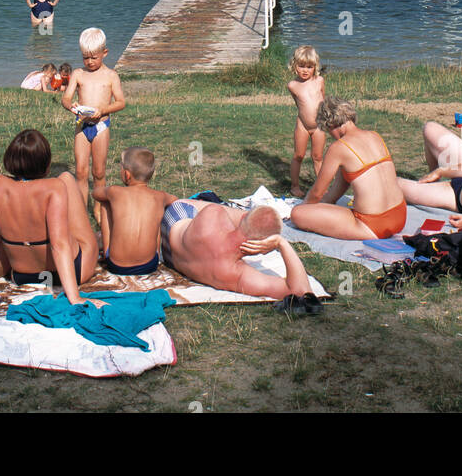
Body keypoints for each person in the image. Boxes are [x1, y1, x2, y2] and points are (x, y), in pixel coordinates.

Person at [0, 129, 98, 303]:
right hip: (71, 273)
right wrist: (74, 298)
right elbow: (59, 245)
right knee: (67, 178)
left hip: (21, 274)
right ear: (46, 164)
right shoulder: (56, 187)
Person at [289, 98, 407, 239]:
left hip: (373, 225)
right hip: (400, 216)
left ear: (330, 124)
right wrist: (324, 205)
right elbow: (336, 190)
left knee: (297, 213)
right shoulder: (375, 136)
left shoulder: (338, 148)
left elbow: (317, 192)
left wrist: (305, 207)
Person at [161, 200, 311, 298]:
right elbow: (301, 290)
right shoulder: (237, 275)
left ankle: (255, 221)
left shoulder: (213, 213)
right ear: (264, 247)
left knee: (240, 216)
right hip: (175, 260)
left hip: (170, 229)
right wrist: (282, 243)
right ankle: (262, 227)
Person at [60, 27, 126, 210]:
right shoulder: (78, 74)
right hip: (82, 126)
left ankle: (98, 209)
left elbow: (120, 102)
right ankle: (81, 209)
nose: (89, 62)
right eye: (85, 57)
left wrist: (103, 109)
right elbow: (66, 98)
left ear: (104, 53)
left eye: (93, 58)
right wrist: (70, 105)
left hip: (101, 126)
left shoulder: (111, 76)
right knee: (81, 171)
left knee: (98, 172)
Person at [92, 148, 177, 274]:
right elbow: (175, 200)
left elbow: (95, 193)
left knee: (106, 203)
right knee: (158, 210)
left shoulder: (115, 192)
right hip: (150, 264)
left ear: (127, 174)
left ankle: (107, 252)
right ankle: (156, 252)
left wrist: (109, 193)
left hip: (116, 265)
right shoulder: (160, 196)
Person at [287, 45, 326, 197]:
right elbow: (299, 104)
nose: (305, 70)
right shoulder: (292, 85)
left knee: (318, 157)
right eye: (301, 66)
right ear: (294, 65)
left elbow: (323, 99)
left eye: (309, 67)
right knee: (298, 155)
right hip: (302, 125)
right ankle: (295, 186)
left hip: (319, 126)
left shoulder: (319, 81)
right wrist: (305, 118)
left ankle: (322, 186)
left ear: (315, 67)